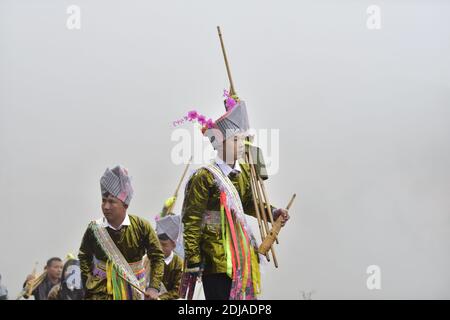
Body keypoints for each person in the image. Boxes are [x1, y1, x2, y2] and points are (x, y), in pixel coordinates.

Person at [181, 95, 290, 300]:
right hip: (215, 259)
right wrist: (194, 258)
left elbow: (248, 203)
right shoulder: (204, 176)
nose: (241, 144)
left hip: (242, 255)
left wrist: (272, 212)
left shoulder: (242, 174)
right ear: (220, 143)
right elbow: (191, 219)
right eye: (235, 139)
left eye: (242, 138)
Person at [78, 165, 164, 300]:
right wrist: (88, 282)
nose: (106, 206)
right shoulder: (94, 229)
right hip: (100, 292)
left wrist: (153, 287)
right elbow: (84, 256)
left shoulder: (141, 227)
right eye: (103, 201)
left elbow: (157, 257)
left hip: (134, 291)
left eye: (112, 202)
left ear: (125, 205)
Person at [155, 214, 183, 300]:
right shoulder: (149, 258)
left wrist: (159, 298)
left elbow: (177, 291)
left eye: (164, 245)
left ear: (173, 245)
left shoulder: (178, 264)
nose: (160, 248)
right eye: (157, 243)